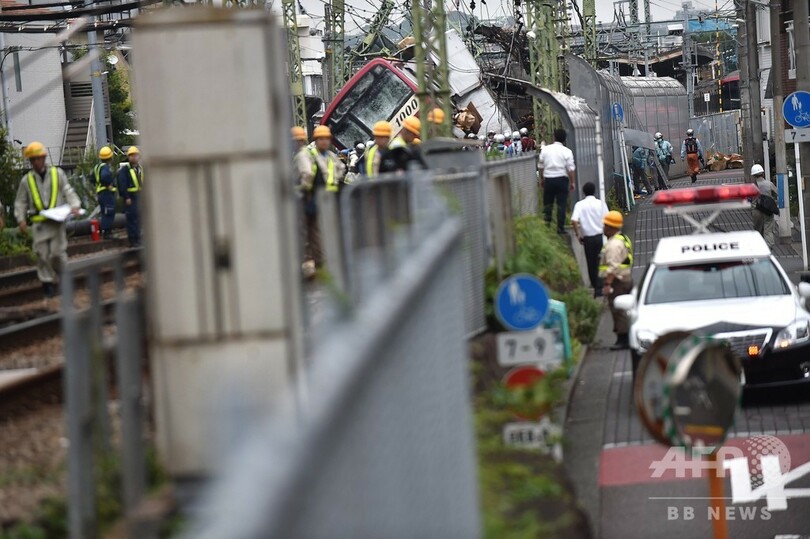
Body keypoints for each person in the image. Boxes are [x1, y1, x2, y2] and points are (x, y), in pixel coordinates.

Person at [14, 142, 81, 297]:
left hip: (56, 222)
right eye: (32, 159)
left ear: (44, 158)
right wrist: (21, 219)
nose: (35, 162)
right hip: (39, 224)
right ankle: (47, 285)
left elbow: (67, 190)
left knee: (58, 253)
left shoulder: (57, 174)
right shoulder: (27, 180)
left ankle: (64, 278)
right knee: (42, 254)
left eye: (38, 158)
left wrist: (75, 205)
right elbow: (20, 201)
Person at [297, 125, 346, 267]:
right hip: (315, 196)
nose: (324, 142)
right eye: (321, 139)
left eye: (326, 139)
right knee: (316, 230)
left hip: (329, 196)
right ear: (316, 140)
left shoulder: (330, 156)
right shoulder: (310, 155)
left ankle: (324, 258)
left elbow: (341, 169)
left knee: (323, 229)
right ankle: (319, 260)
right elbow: (307, 175)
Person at [599, 210, 633, 350]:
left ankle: (623, 340)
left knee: (618, 310)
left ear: (611, 227)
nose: (603, 228)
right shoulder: (622, 238)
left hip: (617, 281)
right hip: (625, 278)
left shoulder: (613, 245)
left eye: (605, 225)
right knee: (622, 309)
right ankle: (623, 338)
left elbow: (612, 267)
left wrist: (608, 283)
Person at [571, 182, 609, 297]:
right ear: (594, 191)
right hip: (600, 236)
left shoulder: (579, 205)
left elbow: (574, 220)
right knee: (601, 261)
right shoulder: (600, 203)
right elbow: (607, 218)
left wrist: (578, 234)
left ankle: (596, 288)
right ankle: (602, 285)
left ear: (583, 192)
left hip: (587, 238)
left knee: (591, 263)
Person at [539, 128, 576, 234]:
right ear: (564, 140)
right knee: (561, 204)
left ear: (554, 137)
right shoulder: (567, 151)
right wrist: (572, 182)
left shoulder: (545, 150)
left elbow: (541, 165)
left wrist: (542, 178)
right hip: (562, 180)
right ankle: (560, 228)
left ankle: (547, 226)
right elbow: (571, 168)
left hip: (549, 180)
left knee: (547, 203)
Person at [117, 146, 143, 247]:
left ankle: (137, 238)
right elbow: (122, 184)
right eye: (131, 156)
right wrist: (126, 197)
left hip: (138, 197)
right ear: (128, 157)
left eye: (135, 155)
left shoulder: (139, 168)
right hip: (130, 198)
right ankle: (133, 240)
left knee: (138, 219)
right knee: (132, 219)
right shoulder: (125, 170)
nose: (134, 157)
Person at [751, 163, 779, 246]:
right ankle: (769, 247)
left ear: (753, 175)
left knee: (757, 230)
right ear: (762, 173)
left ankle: (759, 247)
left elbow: (748, 199)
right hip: (768, 210)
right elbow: (777, 194)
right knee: (768, 230)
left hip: (756, 210)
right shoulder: (769, 184)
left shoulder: (752, 186)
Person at [95, 146, 117, 239]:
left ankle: (105, 232)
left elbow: (92, 178)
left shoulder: (97, 167)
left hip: (100, 193)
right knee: (109, 212)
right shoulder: (105, 168)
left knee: (104, 212)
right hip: (106, 193)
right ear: (110, 158)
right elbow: (104, 177)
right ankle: (108, 233)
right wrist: (108, 185)